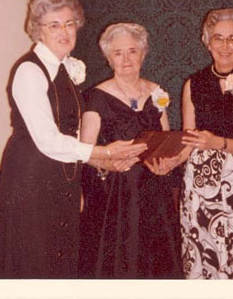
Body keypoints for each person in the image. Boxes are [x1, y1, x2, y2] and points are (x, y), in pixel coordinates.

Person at [0, 0, 146, 279]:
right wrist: (106, 152)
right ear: (38, 30)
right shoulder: (29, 71)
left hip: (62, 174)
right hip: (32, 176)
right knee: (35, 257)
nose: (64, 31)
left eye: (70, 23)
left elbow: (70, 133)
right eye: (54, 25)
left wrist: (100, 166)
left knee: (59, 254)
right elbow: (48, 140)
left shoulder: (64, 69)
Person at [79, 22, 184, 279]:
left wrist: (167, 163)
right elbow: (84, 152)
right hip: (113, 195)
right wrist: (108, 162)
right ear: (108, 57)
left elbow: (165, 140)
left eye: (132, 51)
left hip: (153, 193)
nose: (126, 59)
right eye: (118, 53)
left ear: (143, 53)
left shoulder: (156, 92)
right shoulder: (96, 97)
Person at [176, 8, 233, 279]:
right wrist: (172, 160)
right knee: (202, 255)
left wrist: (217, 142)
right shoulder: (193, 83)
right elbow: (189, 139)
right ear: (207, 42)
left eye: (232, 39)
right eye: (218, 38)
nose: (225, 45)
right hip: (200, 184)